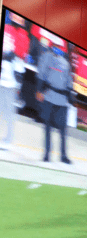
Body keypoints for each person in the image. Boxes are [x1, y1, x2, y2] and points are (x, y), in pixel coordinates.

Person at [36, 41, 73, 163]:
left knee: (62, 130)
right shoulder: (47, 56)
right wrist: (39, 90)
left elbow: (69, 81)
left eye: (60, 47)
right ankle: (47, 154)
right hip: (49, 96)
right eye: (57, 46)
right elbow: (41, 74)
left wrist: (70, 96)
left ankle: (63, 156)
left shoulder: (66, 63)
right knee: (47, 127)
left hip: (62, 100)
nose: (59, 49)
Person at [0, 12, 19, 150]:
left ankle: (9, 139)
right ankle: (7, 138)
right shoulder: (8, 29)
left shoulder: (17, 34)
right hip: (3, 80)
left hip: (10, 83)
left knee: (8, 112)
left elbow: (18, 62)